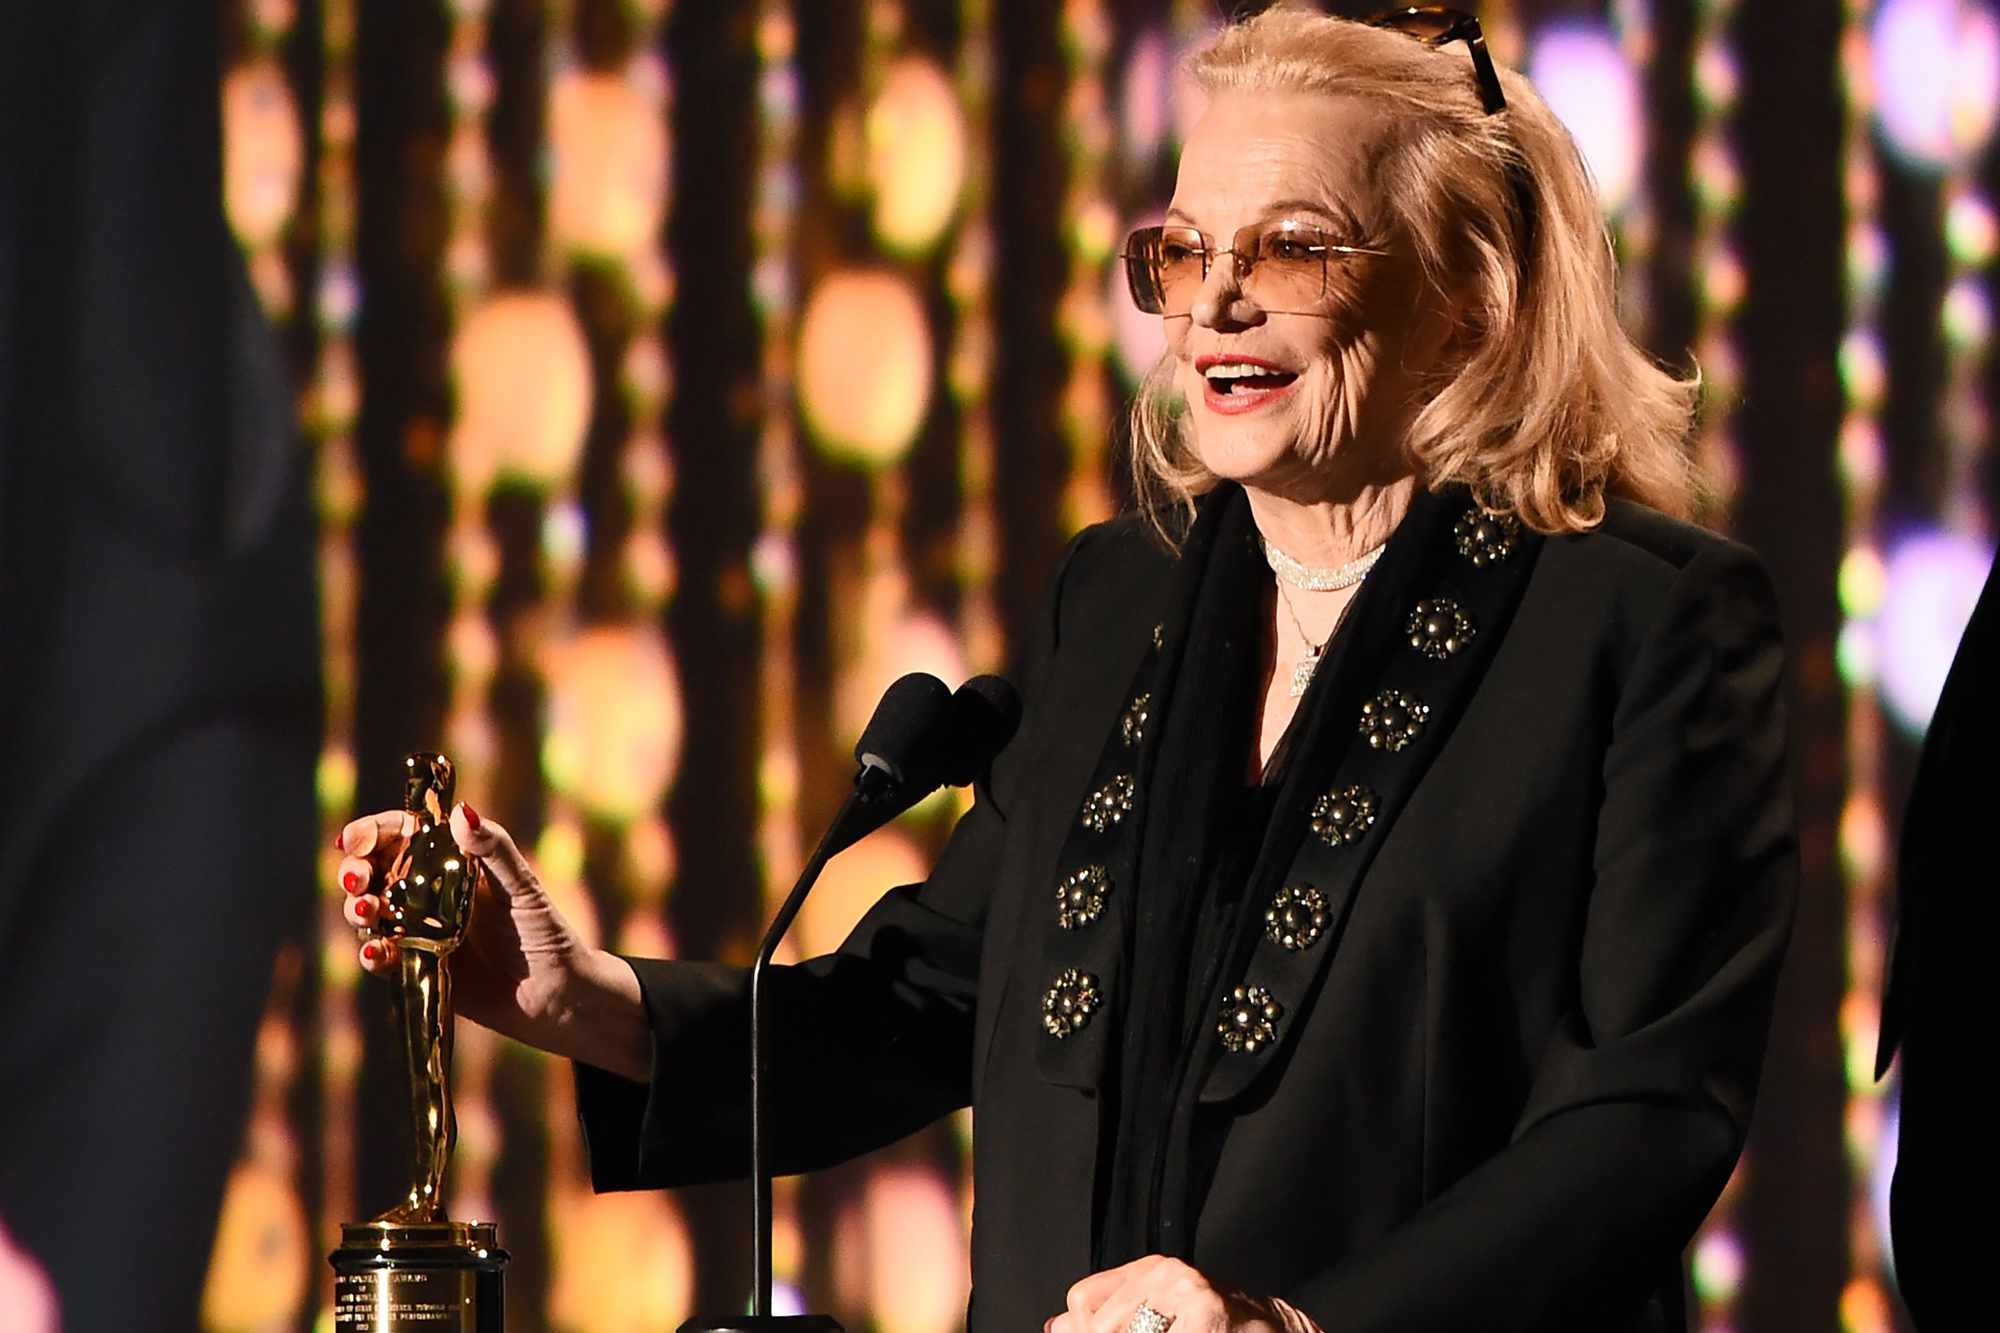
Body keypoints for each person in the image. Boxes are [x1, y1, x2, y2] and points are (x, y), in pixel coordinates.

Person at [336, 8, 1797, 1331]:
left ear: (1464, 293)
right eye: (1183, 249)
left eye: (1291, 246)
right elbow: (928, 1001)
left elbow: (1644, 1118)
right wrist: (589, 1000)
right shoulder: (1119, 601)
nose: (1216, 303)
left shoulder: (1644, 629)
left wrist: (1291, 1329)